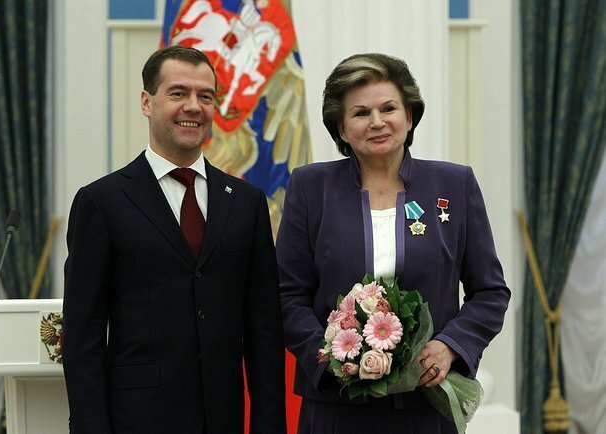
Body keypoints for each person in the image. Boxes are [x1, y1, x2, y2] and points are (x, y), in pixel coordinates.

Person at [276, 53, 511, 433]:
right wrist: (331, 357)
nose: (377, 122)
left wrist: (450, 346)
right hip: (336, 406)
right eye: (360, 113)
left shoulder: (454, 185)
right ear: (341, 128)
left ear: (409, 116)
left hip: (426, 402)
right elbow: (287, 294)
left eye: (388, 108)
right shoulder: (310, 187)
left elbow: (490, 292)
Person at [62, 45, 286, 434]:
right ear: (146, 102)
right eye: (178, 93)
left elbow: (264, 328)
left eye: (206, 96)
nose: (193, 107)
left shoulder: (246, 202)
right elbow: (83, 334)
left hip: (223, 418)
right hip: (137, 419)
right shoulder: (102, 202)